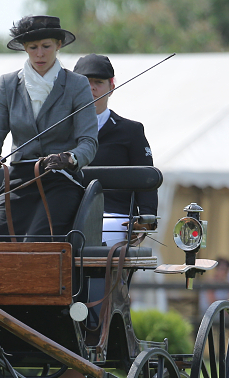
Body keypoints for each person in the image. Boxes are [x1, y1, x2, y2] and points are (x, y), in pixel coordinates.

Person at [0, 15, 98, 242]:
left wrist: (70, 158)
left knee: (36, 242)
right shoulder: (7, 84)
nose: (40, 54)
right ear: (25, 48)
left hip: (61, 178)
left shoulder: (77, 84)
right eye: (33, 47)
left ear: (58, 45)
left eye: (46, 46)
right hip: (18, 180)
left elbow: (89, 143)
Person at [72, 54, 157, 245]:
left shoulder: (131, 131)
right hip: (67, 213)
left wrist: (146, 219)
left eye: (99, 82)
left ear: (111, 87)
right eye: (85, 82)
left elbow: (147, 180)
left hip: (115, 217)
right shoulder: (58, 131)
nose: (92, 87)